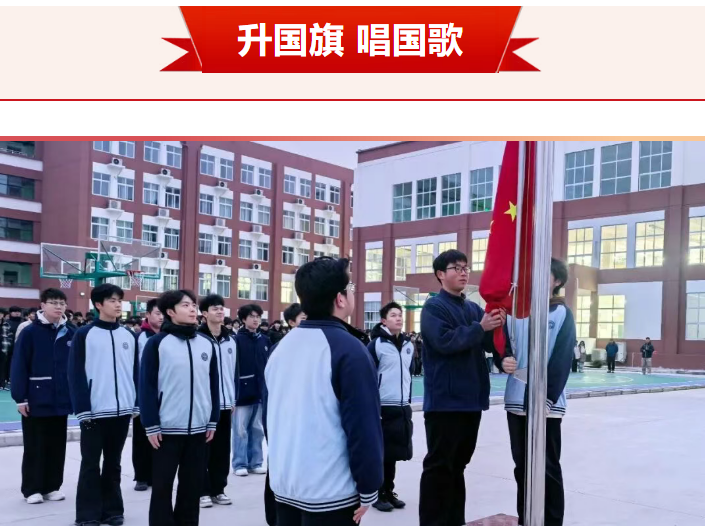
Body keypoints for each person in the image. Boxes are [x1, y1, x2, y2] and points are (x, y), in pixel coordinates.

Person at [265, 256, 383, 526]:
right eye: (350, 287)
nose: (352, 293)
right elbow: (363, 425)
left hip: (285, 484)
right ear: (340, 299)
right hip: (331, 492)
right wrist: (369, 485)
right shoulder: (349, 350)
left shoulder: (280, 348)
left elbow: (268, 418)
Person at [418, 249, 516, 526]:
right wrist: (480, 327)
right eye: (456, 268)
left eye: (466, 268)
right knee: (440, 466)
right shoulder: (434, 308)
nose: (463, 273)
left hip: (471, 401)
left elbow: (491, 341)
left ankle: (453, 520)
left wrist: (503, 355)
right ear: (440, 274)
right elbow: (444, 341)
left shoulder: (472, 309)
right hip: (445, 403)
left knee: (458, 465)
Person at [504, 257, 575, 526]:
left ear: (557, 281)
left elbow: (562, 359)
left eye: (544, 274)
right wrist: (503, 359)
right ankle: (526, 519)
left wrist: (547, 399)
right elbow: (504, 345)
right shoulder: (516, 311)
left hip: (547, 407)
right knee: (522, 467)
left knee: (547, 468)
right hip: (516, 402)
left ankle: (552, 521)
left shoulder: (561, 313)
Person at [140, 289, 220, 526]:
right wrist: (151, 424)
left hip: (199, 429)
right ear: (170, 312)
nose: (192, 309)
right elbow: (146, 386)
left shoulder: (206, 344)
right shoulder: (157, 344)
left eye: (193, 305)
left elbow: (213, 385)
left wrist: (212, 419)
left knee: (191, 486)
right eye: (185, 305)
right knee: (162, 487)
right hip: (166, 429)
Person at [68, 284, 139, 526]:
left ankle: (112, 510)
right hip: (94, 412)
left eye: (120, 300)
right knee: (90, 463)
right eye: (112, 300)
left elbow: (135, 372)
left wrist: (135, 403)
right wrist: (83, 409)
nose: (118, 304)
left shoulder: (128, 335)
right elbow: (75, 373)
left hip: (122, 411)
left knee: (113, 463)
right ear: (98, 305)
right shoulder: (84, 334)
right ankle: (87, 514)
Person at [10, 288, 75, 504]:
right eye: (53, 302)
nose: (58, 306)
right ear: (43, 305)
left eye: (62, 303)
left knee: (57, 445)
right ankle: (32, 489)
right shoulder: (30, 332)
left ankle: (52, 486)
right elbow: (19, 365)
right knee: (35, 445)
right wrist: (20, 398)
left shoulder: (70, 332)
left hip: (61, 398)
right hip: (36, 398)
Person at [368, 302, 414, 513]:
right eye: (393, 315)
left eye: (400, 315)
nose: (398, 318)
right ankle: (377, 494)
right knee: (380, 453)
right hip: (383, 407)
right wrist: (373, 406)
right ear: (383, 321)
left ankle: (389, 491)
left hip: (401, 406)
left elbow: (408, 373)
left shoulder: (408, 345)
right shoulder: (376, 344)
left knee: (394, 453)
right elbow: (368, 377)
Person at [197, 294, 236, 509]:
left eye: (221, 308)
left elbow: (234, 372)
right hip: (205, 405)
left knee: (222, 451)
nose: (220, 311)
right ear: (204, 314)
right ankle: (202, 491)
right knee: (204, 450)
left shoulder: (231, 340)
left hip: (226, 404)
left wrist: (233, 397)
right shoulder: (197, 339)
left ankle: (218, 489)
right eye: (214, 308)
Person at [232, 304, 268, 476]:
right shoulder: (236, 340)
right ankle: (240, 463)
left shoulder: (264, 340)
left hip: (260, 391)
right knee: (240, 430)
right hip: (242, 393)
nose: (255, 320)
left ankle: (256, 462)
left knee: (257, 429)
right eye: (252, 316)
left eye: (258, 316)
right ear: (243, 319)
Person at [132, 299, 163, 492]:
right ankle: (141, 476)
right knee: (142, 437)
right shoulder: (140, 338)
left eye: (163, 314)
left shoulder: (169, 337)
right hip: (143, 394)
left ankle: (157, 475)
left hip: (165, 395)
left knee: (162, 439)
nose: (161, 317)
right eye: (157, 313)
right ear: (148, 315)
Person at [1, 306, 23, 391]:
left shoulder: (23, 323)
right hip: (8, 348)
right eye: (15, 311)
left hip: (20, 348)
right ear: (10, 313)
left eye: (18, 311)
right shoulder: (7, 323)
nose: (17, 313)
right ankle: (6, 381)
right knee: (6, 365)